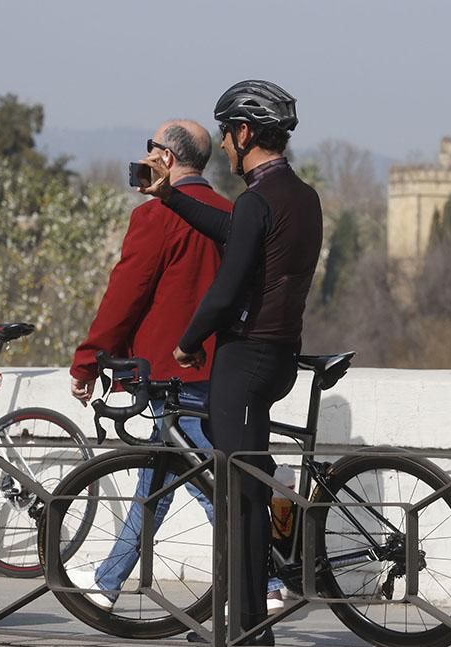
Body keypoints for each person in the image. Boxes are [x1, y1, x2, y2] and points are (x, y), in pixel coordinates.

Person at [69, 120, 287, 614]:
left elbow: (125, 295)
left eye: (149, 150)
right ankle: (111, 577)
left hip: (172, 371)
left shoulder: (157, 217)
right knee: (165, 473)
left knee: (209, 484)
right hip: (225, 369)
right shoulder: (231, 212)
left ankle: (267, 580)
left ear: (165, 159)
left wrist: (89, 360)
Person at [141, 81, 323, 647]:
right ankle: (245, 624)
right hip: (280, 356)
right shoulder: (300, 196)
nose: (222, 144)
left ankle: (246, 629)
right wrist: (171, 196)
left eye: (225, 133)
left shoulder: (256, 200)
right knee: (247, 484)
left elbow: (227, 286)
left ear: (244, 133)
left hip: (244, 360)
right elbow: (234, 234)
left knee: (239, 493)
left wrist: (188, 341)